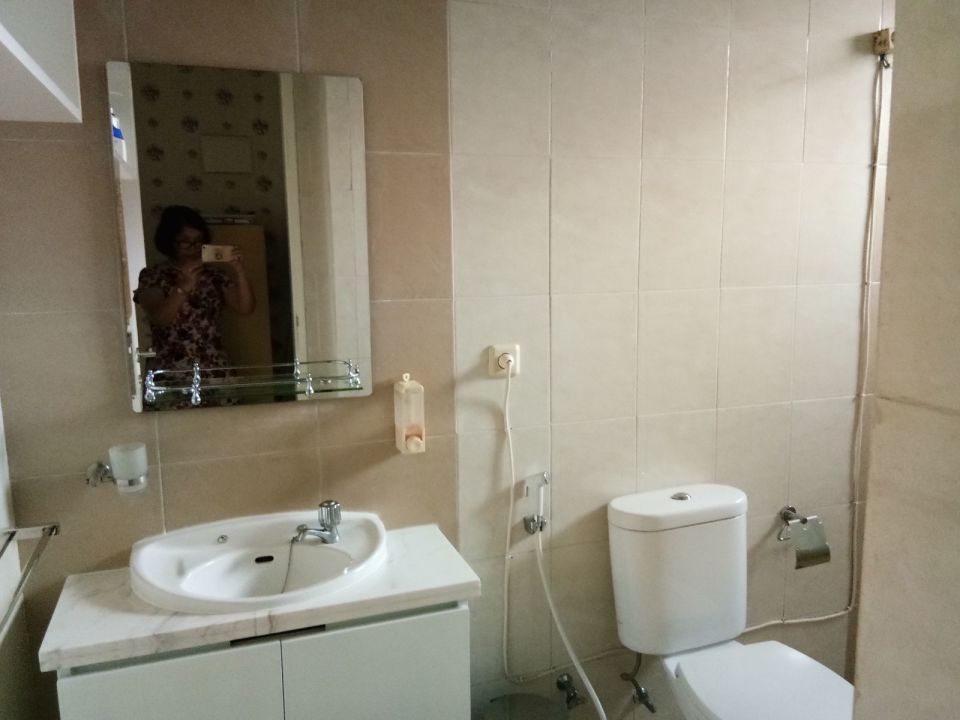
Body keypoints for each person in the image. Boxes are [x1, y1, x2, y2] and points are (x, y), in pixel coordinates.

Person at [134, 206, 255, 378]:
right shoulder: (154, 275)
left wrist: (239, 271)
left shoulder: (215, 275)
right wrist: (183, 288)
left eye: (198, 240)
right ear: (169, 241)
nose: (193, 246)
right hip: (171, 368)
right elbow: (160, 319)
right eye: (185, 241)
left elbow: (245, 308)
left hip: (214, 366)